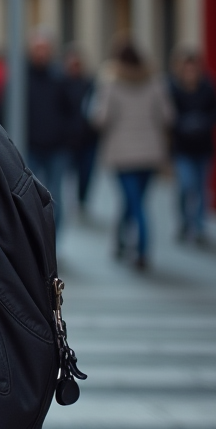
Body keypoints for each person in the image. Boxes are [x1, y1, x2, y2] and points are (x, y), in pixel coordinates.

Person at [91, 39, 173, 270]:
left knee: (134, 203)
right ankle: (121, 241)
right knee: (136, 201)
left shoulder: (111, 82)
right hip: (150, 153)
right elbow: (168, 116)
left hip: (122, 153)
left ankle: (142, 251)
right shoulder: (155, 81)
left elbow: (100, 118)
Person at [167, 48, 216, 245]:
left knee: (201, 188)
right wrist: (183, 124)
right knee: (186, 185)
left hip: (203, 146)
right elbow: (168, 114)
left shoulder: (208, 86)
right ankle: (184, 222)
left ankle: (199, 227)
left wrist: (203, 122)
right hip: (183, 147)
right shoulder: (173, 88)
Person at [25, 30, 75, 227]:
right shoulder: (22, 78)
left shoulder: (60, 77)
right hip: (30, 146)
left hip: (57, 148)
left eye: (44, 49)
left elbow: (71, 111)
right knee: (30, 194)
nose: (41, 53)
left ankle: (54, 237)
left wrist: (67, 137)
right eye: (37, 49)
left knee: (55, 196)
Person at [63, 46, 99, 216]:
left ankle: (81, 201)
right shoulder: (62, 84)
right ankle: (68, 201)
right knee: (66, 174)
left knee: (86, 174)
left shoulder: (90, 84)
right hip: (68, 139)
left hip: (88, 139)